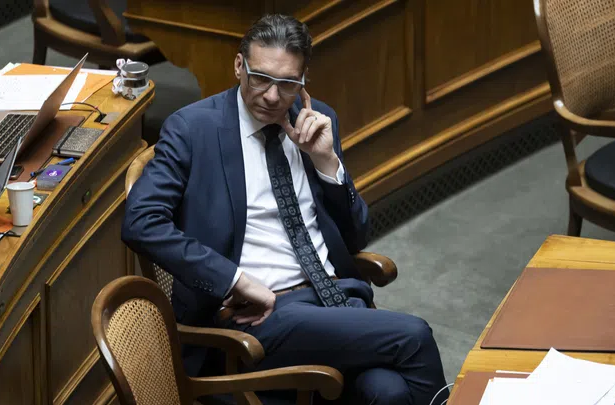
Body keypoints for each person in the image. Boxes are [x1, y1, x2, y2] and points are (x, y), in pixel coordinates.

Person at [122, 14, 448, 405]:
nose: (273, 96)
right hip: (259, 317)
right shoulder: (193, 129)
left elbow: (356, 237)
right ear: (239, 66)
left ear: (304, 79)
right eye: (261, 78)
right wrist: (234, 280)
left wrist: (327, 163)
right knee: (414, 336)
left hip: (333, 298)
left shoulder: (316, 122)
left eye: (288, 83)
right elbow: (141, 222)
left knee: (388, 393)